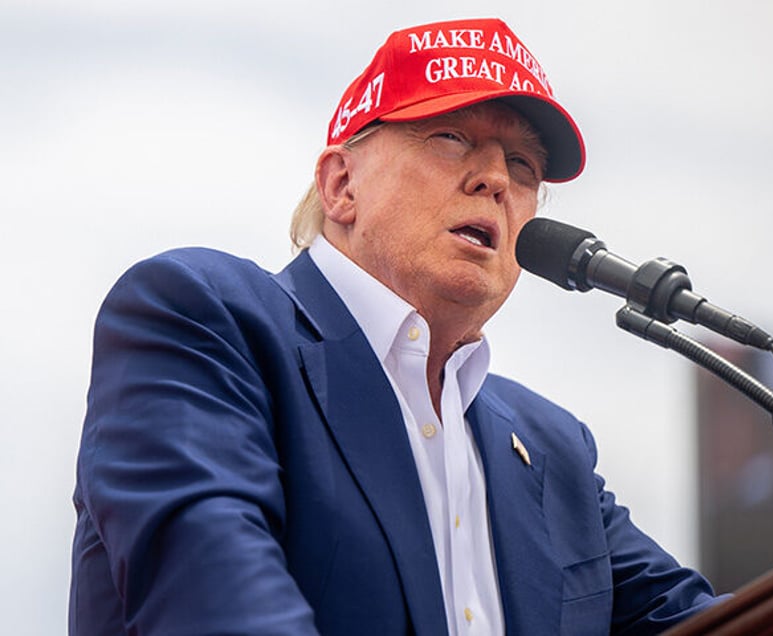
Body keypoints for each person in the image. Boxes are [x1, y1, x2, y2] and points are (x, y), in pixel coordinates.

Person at [69, 17, 726, 635]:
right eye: (451, 137)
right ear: (341, 183)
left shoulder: (555, 450)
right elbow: (217, 597)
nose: (496, 177)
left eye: (523, 166)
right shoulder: (204, 321)